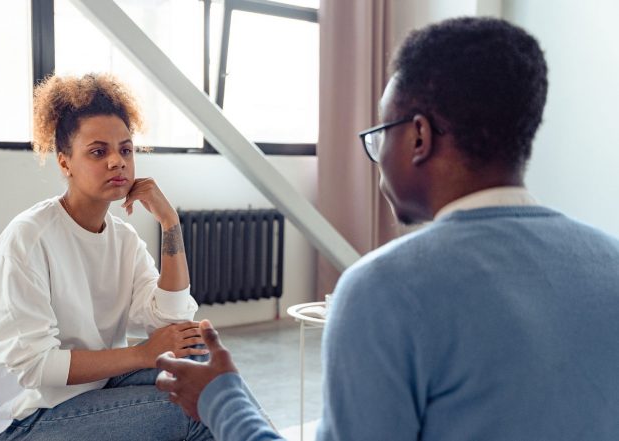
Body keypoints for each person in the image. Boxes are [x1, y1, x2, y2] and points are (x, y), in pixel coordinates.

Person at [156, 16, 619, 441]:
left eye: (382, 131)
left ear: (419, 137)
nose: (377, 153)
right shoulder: (610, 260)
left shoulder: (384, 290)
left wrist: (222, 398)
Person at [0, 73, 214, 441]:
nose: (117, 162)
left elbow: (172, 320)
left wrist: (170, 223)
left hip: (93, 390)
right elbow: (37, 366)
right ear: (64, 163)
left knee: (203, 371)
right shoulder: (29, 237)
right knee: (197, 407)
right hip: (23, 420)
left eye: (126, 150)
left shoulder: (123, 239)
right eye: (98, 152)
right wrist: (144, 354)